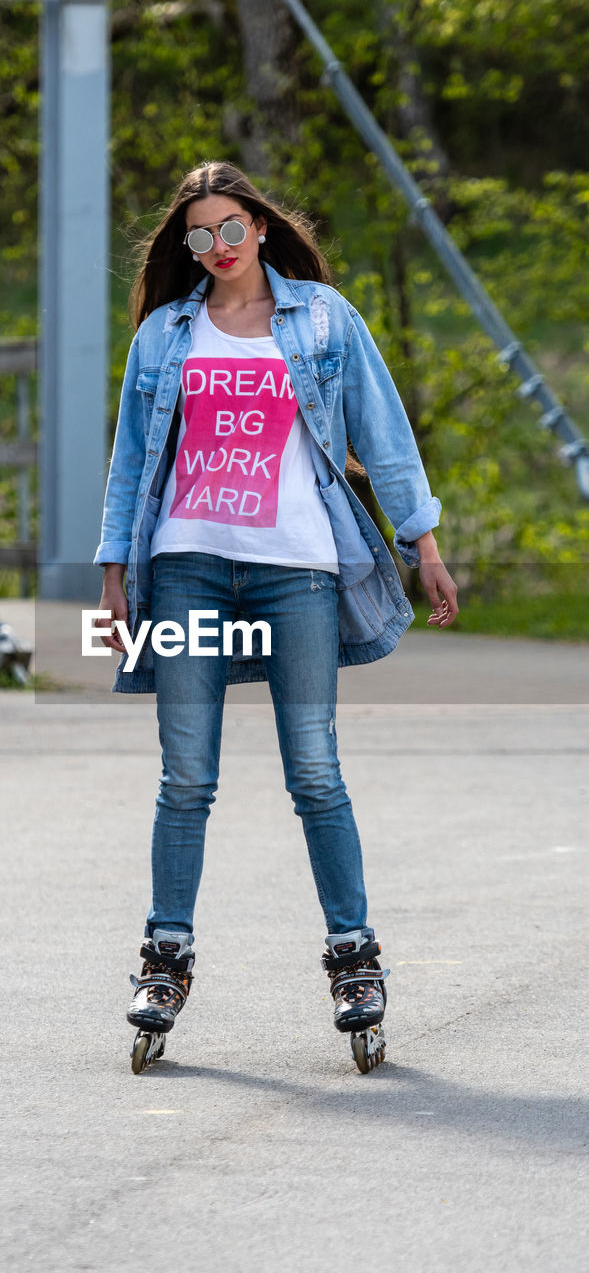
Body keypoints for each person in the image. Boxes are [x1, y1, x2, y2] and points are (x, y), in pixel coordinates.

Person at [93, 161, 458, 1073]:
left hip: (296, 567)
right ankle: (163, 958)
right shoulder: (164, 335)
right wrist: (112, 572)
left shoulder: (326, 321)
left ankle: (353, 961)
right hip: (186, 569)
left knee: (315, 773)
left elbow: (383, 433)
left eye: (229, 229)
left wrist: (424, 544)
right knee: (186, 779)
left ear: (259, 225)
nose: (215, 249)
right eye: (198, 237)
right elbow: (133, 460)